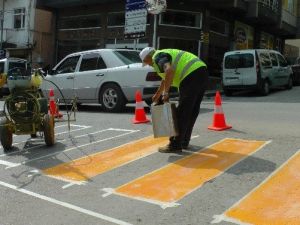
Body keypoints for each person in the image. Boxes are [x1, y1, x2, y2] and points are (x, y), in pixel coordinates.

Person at [139, 47, 208, 153]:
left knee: (182, 112)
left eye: (146, 62)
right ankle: (183, 141)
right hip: (201, 72)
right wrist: (158, 94)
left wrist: (166, 93)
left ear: (148, 56)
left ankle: (175, 144)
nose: (148, 65)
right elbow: (165, 77)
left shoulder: (158, 57)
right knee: (191, 111)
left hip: (190, 75)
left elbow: (169, 71)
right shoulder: (163, 56)